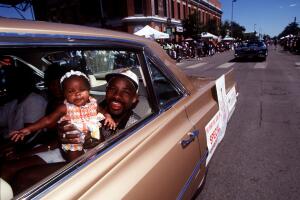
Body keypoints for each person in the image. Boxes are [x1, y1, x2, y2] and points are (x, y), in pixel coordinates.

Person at [10, 69, 141, 194]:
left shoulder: (137, 126)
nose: (117, 96)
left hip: (92, 164)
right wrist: (28, 152)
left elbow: (117, 162)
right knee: (9, 168)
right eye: (112, 89)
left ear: (135, 99)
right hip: (69, 150)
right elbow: (53, 126)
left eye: (126, 92)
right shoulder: (92, 107)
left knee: (23, 178)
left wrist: (94, 140)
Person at [10, 70, 116, 159]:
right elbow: (48, 120)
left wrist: (108, 116)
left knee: (99, 154)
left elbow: (102, 111)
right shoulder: (65, 108)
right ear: (64, 94)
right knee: (77, 162)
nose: (77, 94)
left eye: (82, 90)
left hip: (93, 137)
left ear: (89, 90)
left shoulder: (93, 103)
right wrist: (29, 129)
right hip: (74, 140)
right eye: (71, 91)